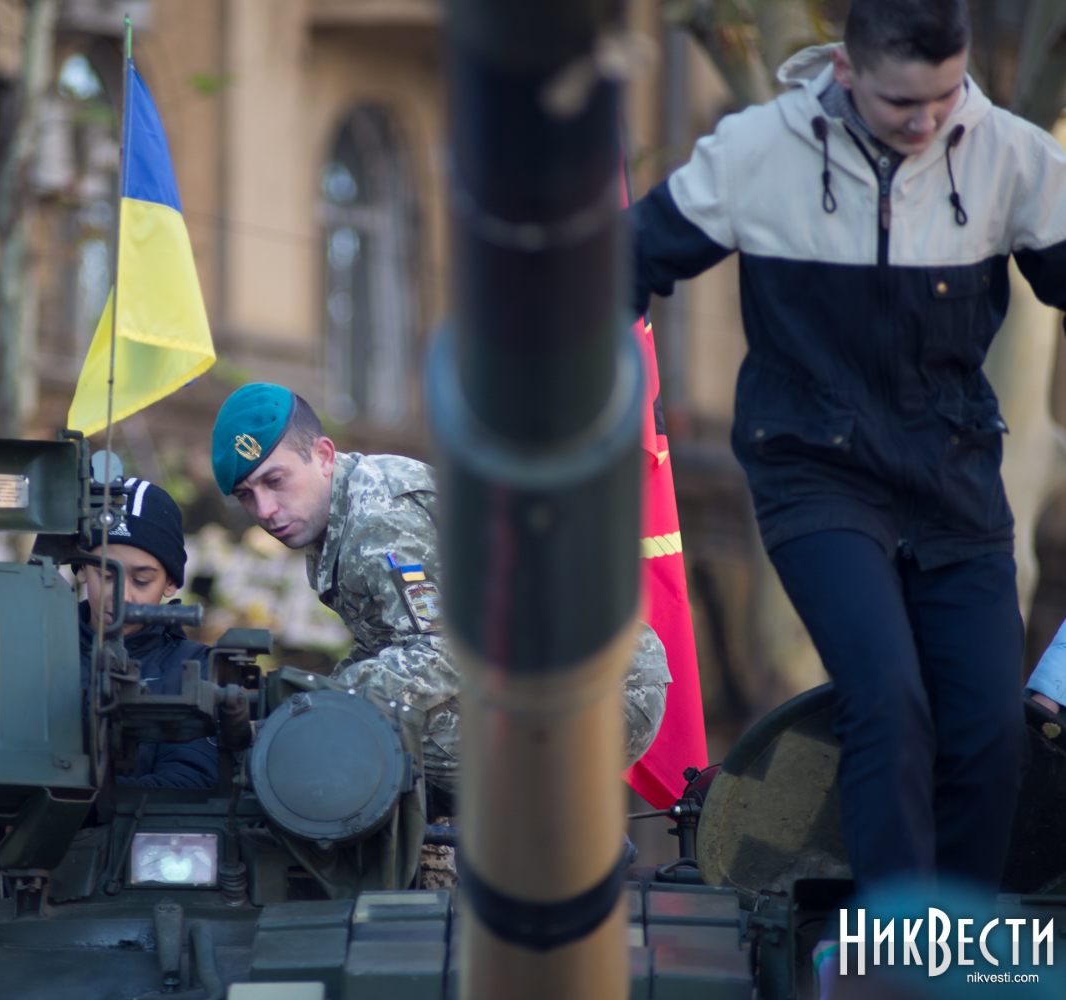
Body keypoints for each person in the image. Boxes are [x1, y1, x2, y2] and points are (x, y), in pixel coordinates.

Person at [632, 0, 1066, 891]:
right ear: (845, 71)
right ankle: (893, 945)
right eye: (902, 103)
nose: (927, 123)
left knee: (990, 732)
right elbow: (625, 260)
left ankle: (955, 944)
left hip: (952, 475)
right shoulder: (762, 150)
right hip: (814, 469)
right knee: (890, 704)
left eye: (945, 98)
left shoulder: (1008, 154)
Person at [209, 382, 671, 811]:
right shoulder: (338, 511)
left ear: (323, 456)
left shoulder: (378, 520)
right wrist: (305, 701)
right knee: (351, 723)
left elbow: (443, 650)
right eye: (246, 495)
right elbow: (389, 649)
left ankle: (567, 854)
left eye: (275, 481)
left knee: (385, 731)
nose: (264, 510)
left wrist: (316, 705)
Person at [0, 478, 217, 869]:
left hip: (141, 879)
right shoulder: (25, 654)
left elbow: (191, 788)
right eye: (107, 574)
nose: (121, 595)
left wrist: (57, 806)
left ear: (171, 583)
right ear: (82, 569)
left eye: (141, 580)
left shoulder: (196, 667)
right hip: (27, 881)